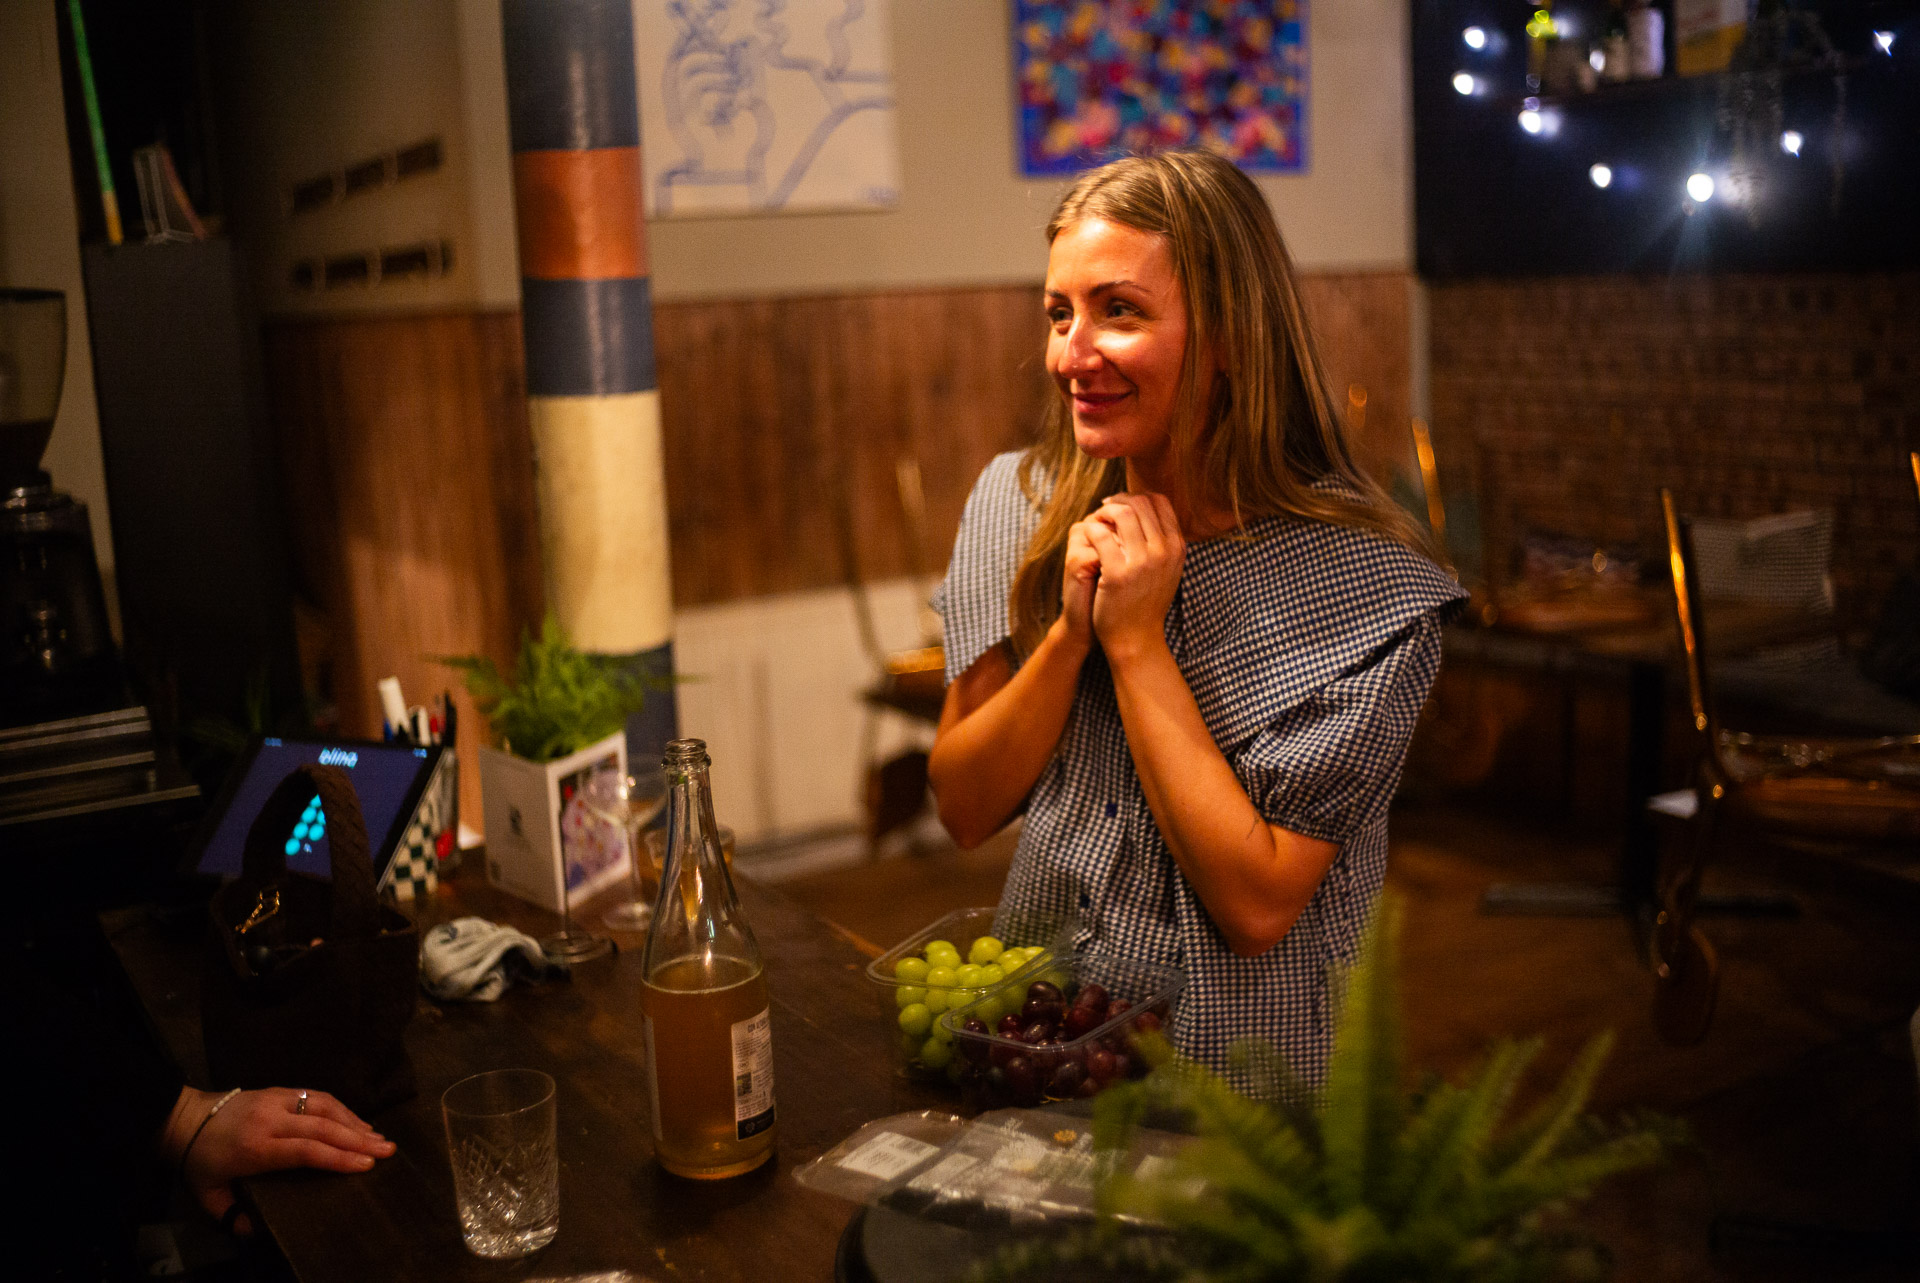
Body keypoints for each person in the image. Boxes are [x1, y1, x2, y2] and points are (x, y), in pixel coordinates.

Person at [927, 149, 1465, 1085]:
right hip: (1037, 1046)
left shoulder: (1375, 591)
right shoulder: (1016, 505)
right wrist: (1072, 634)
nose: (1070, 355)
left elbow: (1257, 906)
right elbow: (964, 806)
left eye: (1118, 310)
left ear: (1230, 336)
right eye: (1059, 312)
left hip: (1243, 1092)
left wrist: (1138, 644)